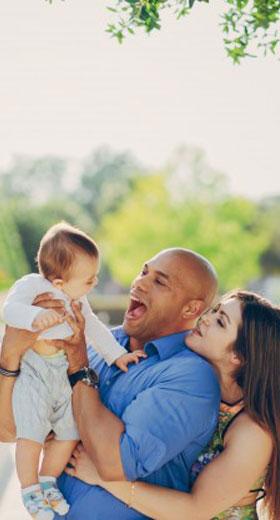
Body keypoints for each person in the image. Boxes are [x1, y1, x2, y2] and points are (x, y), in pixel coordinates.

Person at [0, 248, 220, 520]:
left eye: (160, 281)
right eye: (144, 272)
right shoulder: (97, 344)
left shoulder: (190, 376)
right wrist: (10, 357)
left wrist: (78, 363)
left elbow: (113, 463)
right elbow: (9, 431)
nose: (140, 282)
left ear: (191, 308)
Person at [65, 290, 280, 520]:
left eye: (220, 322)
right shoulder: (189, 387)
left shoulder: (252, 432)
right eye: (215, 310)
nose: (205, 318)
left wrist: (103, 477)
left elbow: (194, 510)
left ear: (239, 355)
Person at [1, 222, 145, 520]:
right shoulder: (31, 286)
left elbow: (94, 328)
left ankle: (47, 479)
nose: (94, 284)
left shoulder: (79, 299)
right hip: (33, 371)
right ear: (58, 283)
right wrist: (36, 316)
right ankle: (29, 490)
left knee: (69, 429)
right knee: (31, 432)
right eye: (89, 279)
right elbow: (8, 309)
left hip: (62, 370)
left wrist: (118, 355)